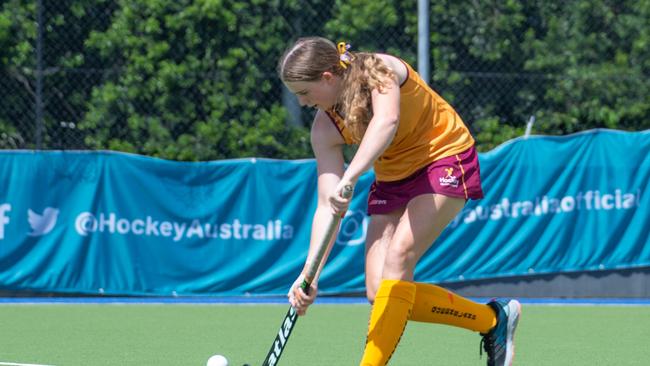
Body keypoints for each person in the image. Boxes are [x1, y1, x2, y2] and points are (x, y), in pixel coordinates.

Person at [278, 36, 521, 366]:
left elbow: (386, 122)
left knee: (399, 254)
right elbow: (327, 206)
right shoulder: (325, 129)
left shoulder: (380, 70)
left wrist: (351, 178)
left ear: (327, 77)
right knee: (379, 292)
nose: (303, 103)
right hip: (394, 177)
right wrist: (309, 275)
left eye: (304, 93)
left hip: (443, 156)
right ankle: (494, 320)